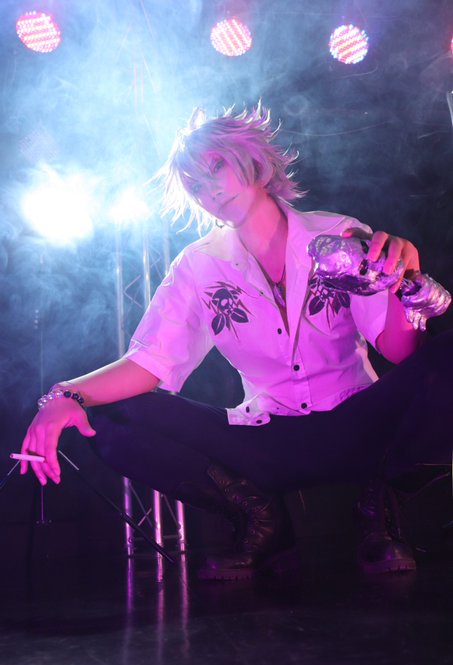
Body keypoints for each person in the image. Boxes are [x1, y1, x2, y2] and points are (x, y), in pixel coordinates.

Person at [20, 104, 453, 580]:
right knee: (110, 416)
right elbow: (148, 364)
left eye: (215, 167)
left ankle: (380, 509)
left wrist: (401, 281)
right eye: (195, 185)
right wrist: (65, 396)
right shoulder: (197, 265)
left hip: (358, 425)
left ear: (254, 161)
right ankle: (259, 521)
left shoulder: (337, 233)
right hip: (267, 440)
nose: (209, 190)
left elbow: (401, 353)